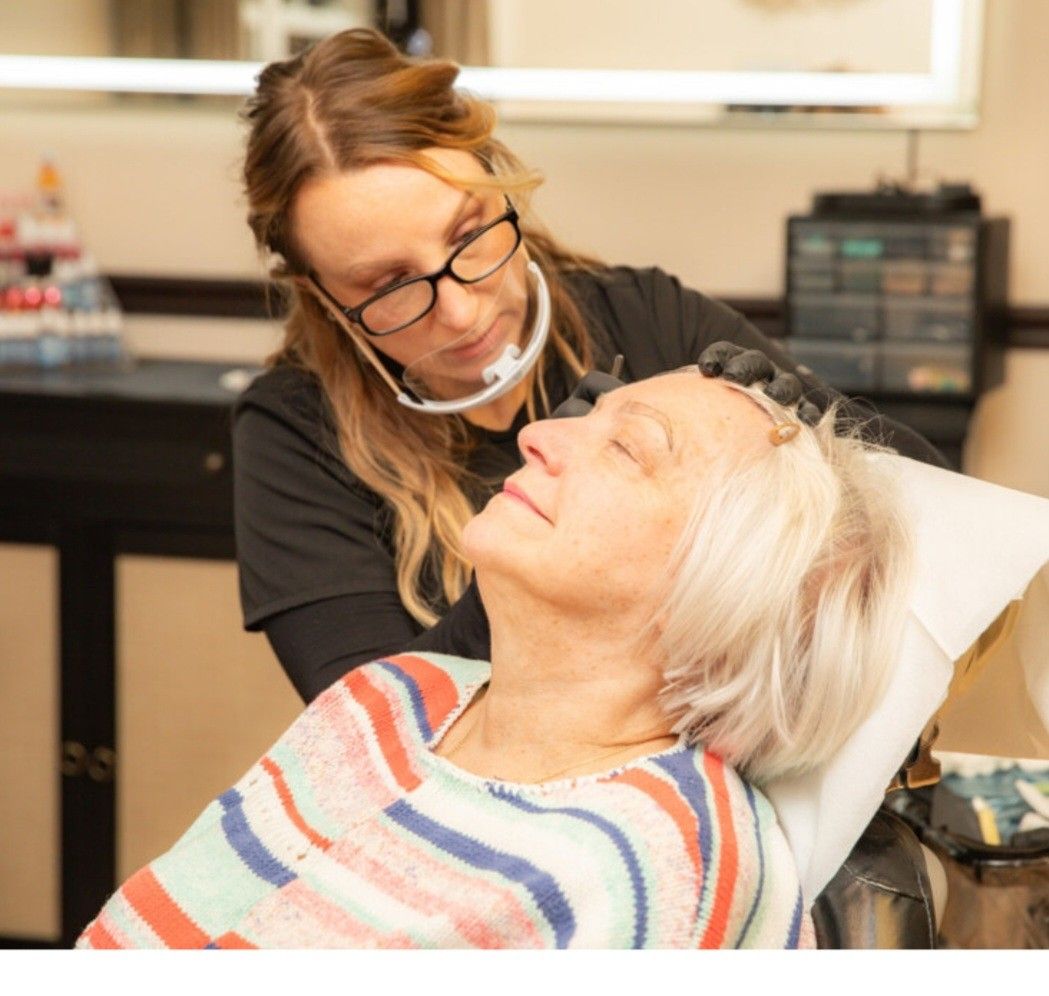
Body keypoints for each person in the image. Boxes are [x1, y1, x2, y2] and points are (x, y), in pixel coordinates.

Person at [77, 369, 912, 949]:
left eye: (626, 447)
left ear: (731, 579)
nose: (540, 433)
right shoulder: (390, 696)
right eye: (586, 415)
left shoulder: (665, 867)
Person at [232, 27, 945, 706]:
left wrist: (809, 443)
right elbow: (370, 723)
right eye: (389, 288)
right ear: (321, 297)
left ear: (498, 178)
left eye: (471, 233)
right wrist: (524, 556)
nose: (461, 313)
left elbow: (928, 507)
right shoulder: (294, 430)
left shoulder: (647, 318)